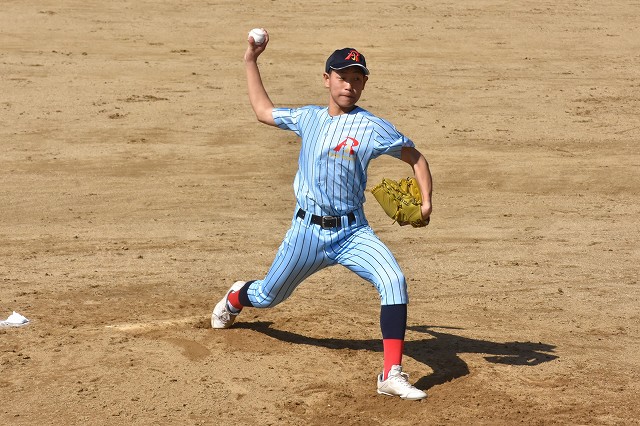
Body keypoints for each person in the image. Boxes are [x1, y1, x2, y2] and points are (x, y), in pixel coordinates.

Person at [211, 29, 433, 400]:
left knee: (393, 280)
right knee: (267, 296)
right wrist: (250, 60)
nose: (350, 85)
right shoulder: (307, 118)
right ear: (327, 79)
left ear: (364, 84)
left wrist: (426, 201)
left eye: (357, 79)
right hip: (307, 233)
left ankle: (391, 374)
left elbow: (416, 158)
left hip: (353, 233)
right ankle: (235, 298)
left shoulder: (373, 127)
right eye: (343, 76)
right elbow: (263, 111)